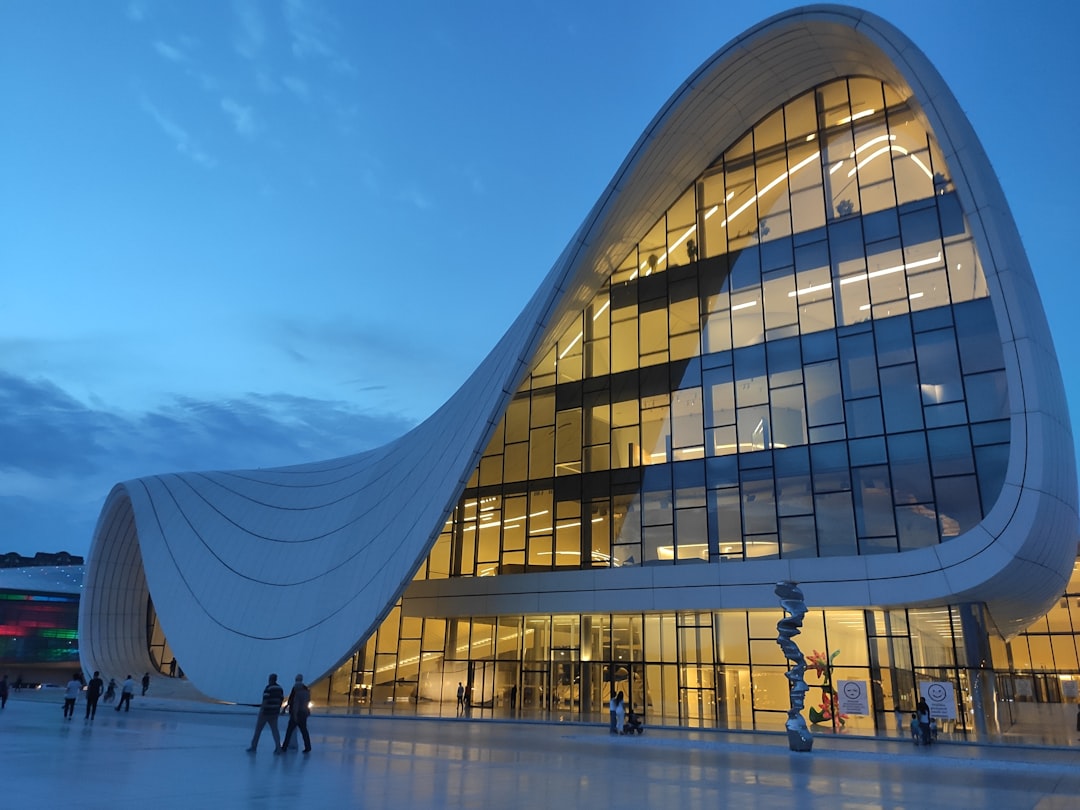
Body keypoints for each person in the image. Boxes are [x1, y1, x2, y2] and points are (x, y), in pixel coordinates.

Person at [247, 673, 284, 753]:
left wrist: (262, 710)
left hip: (266, 712)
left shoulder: (268, 688)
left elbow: (265, 701)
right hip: (274, 713)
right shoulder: (280, 689)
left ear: (270, 679)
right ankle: (278, 747)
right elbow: (281, 700)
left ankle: (254, 746)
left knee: (258, 730)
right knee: (275, 730)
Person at [280, 674, 312, 754]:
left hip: (296, 713)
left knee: (289, 730)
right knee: (304, 730)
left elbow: (293, 702)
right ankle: (308, 747)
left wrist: (291, 712)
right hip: (304, 712)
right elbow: (307, 701)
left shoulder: (296, 690)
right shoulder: (306, 690)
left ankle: (284, 747)